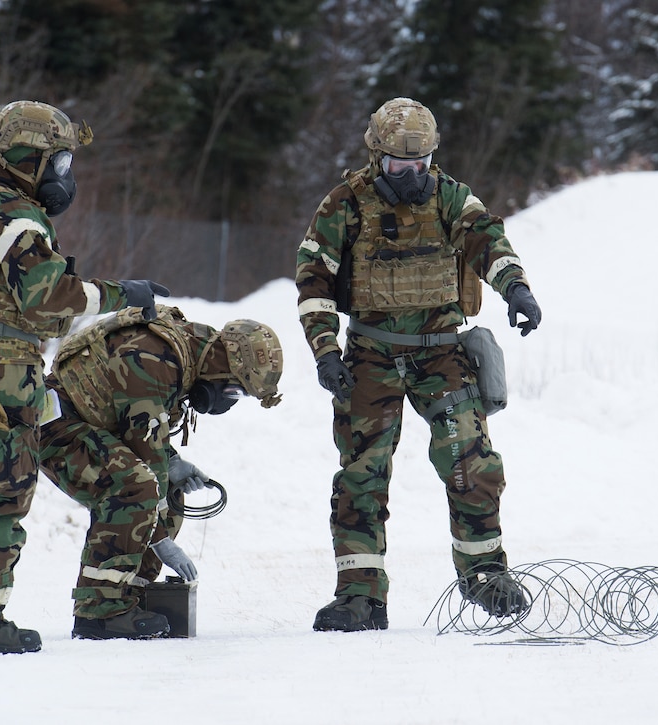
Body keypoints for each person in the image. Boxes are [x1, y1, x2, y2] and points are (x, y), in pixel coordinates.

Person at [0, 99, 169, 654]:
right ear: (26, 159)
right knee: (1, 491)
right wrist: (120, 295)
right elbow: (47, 299)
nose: (65, 177)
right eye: (57, 163)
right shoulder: (10, 211)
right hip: (0, 368)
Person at [295, 97, 543, 632]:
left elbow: (487, 239)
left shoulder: (451, 198)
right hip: (371, 355)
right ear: (376, 157)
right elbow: (313, 278)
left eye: (421, 165)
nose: (411, 176)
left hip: (440, 354)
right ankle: (359, 596)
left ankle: (486, 577)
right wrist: (325, 352)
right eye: (398, 166)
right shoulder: (346, 204)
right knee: (362, 474)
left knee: (471, 460)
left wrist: (516, 289)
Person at [38, 304, 283, 640]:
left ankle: (131, 593)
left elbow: (145, 436)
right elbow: (144, 455)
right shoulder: (155, 358)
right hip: (55, 425)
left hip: (92, 423)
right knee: (133, 486)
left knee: (167, 489)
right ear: (225, 364)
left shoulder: (188, 355)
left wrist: (173, 463)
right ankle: (100, 610)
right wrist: (162, 542)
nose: (229, 400)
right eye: (235, 390)